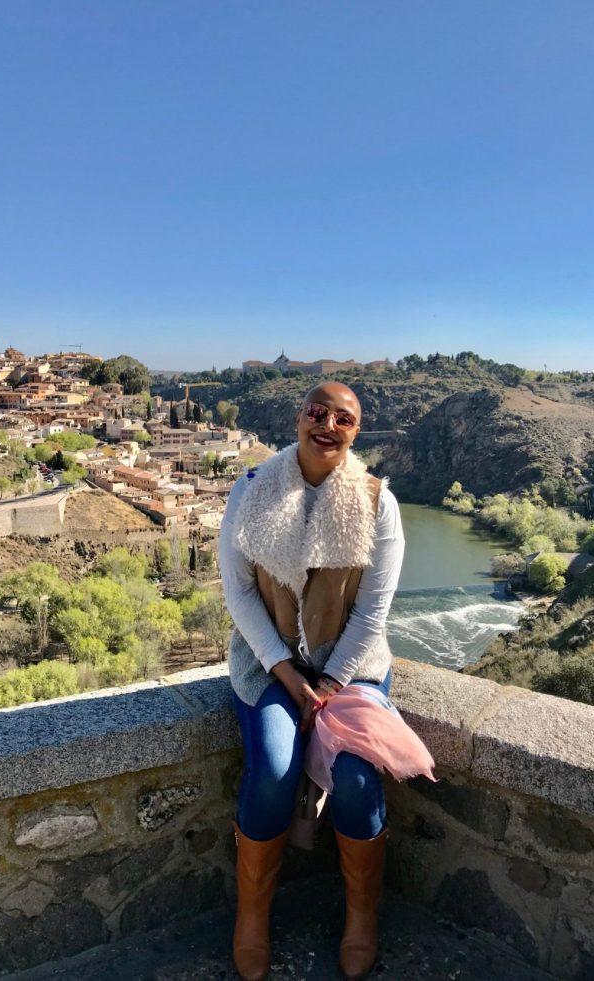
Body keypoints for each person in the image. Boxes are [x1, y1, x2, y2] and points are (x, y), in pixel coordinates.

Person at [219, 381, 405, 981]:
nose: (327, 425)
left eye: (342, 419)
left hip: (351, 664)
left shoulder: (377, 502)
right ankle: (252, 917)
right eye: (317, 413)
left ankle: (361, 916)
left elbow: (373, 613)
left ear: (356, 431)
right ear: (299, 417)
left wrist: (327, 684)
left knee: (355, 775)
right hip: (266, 659)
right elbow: (238, 593)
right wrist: (286, 672)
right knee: (275, 768)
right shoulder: (251, 489)